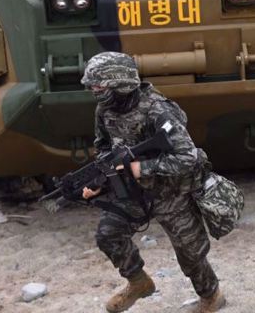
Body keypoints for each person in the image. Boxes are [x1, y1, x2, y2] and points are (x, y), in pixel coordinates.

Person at [81, 52, 225, 313]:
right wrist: (102, 178)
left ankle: (211, 296)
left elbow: (187, 157)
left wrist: (140, 167)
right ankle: (138, 283)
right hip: (134, 192)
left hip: (171, 193)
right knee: (108, 234)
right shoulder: (104, 109)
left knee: (191, 256)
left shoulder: (159, 110)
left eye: (99, 86)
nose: (94, 91)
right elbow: (102, 146)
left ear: (119, 83)